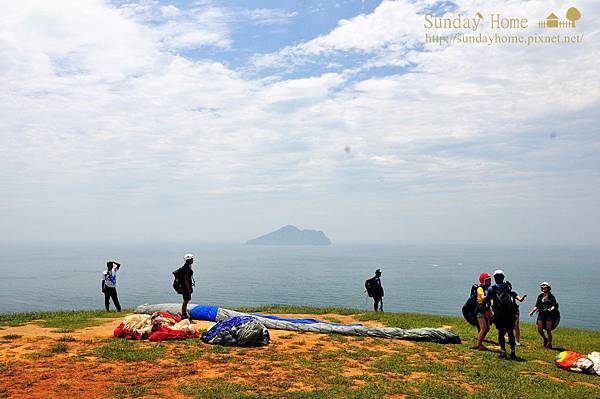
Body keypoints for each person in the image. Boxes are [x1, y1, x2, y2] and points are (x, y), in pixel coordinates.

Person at [484, 270, 525, 359]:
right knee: (510, 332)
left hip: (499, 314)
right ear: (503, 277)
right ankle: (512, 351)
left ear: (495, 278)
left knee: (501, 333)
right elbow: (513, 294)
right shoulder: (507, 286)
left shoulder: (492, 289)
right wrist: (520, 298)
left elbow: (487, 299)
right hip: (509, 313)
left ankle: (503, 351)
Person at [528, 282, 559, 349]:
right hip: (541, 314)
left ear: (548, 288)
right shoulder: (540, 296)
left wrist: (549, 310)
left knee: (548, 330)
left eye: (545, 287)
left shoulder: (551, 296)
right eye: (542, 287)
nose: (543, 288)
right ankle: (545, 338)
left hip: (549, 315)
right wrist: (532, 311)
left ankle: (549, 343)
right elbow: (537, 305)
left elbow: (554, 305)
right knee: (539, 329)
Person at [475, 272, 492, 350]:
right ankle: (478, 344)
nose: (489, 282)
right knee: (483, 328)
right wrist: (489, 295)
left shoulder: (487, 289)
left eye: (489, 280)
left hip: (486, 311)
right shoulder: (480, 288)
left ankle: (480, 343)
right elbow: (482, 298)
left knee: (487, 328)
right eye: (487, 280)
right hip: (480, 311)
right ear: (483, 281)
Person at [178, 254, 195, 318]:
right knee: (185, 300)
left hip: (184, 286)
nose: (192, 260)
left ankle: (184, 313)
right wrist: (189, 289)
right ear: (189, 260)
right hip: (185, 287)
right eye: (192, 259)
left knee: (186, 300)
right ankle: (183, 314)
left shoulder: (187, 266)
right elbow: (186, 280)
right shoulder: (186, 268)